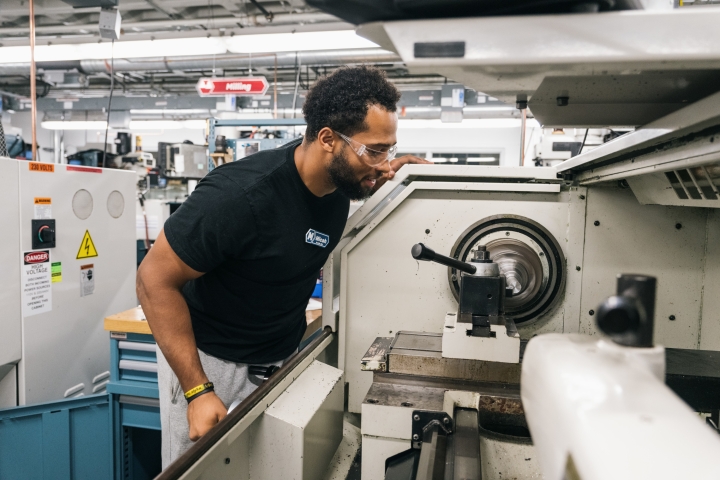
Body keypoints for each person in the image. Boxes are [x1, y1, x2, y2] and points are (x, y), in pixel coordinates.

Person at [136, 65, 430, 466]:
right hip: (212, 364)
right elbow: (153, 280)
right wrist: (197, 391)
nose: (382, 163)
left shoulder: (336, 183)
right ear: (328, 139)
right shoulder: (240, 196)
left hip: (277, 360)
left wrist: (392, 175)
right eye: (374, 150)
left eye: (389, 150)